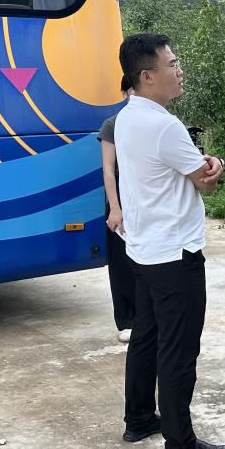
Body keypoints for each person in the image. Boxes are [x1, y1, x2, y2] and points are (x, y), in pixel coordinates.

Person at [114, 33, 225, 449]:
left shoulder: (127, 116)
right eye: (172, 64)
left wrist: (202, 167)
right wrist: (217, 163)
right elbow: (205, 180)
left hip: (144, 248)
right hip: (174, 252)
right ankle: (180, 444)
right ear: (147, 76)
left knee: (146, 337)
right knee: (179, 349)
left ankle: (139, 418)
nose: (179, 70)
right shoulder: (165, 125)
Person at [99, 94, 135, 343]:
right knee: (122, 262)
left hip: (146, 195)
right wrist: (115, 207)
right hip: (121, 196)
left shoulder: (160, 120)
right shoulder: (112, 124)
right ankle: (127, 320)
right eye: (131, 89)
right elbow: (108, 169)